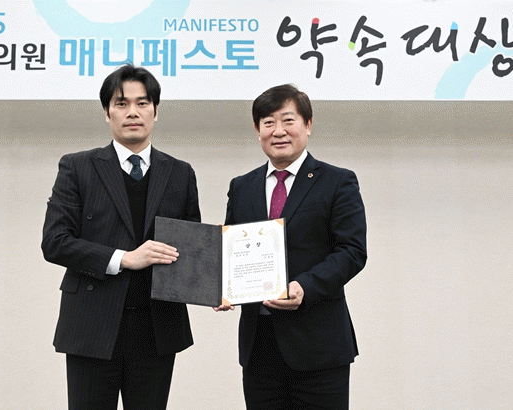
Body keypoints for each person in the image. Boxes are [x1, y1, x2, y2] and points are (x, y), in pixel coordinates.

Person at [42, 64, 201, 410]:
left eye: (142, 103)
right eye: (121, 103)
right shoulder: (77, 167)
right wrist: (124, 259)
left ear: (155, 111)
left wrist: (215, 284)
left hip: (157, 328)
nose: (132, 112)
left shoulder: (180, 173)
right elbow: (55, 242)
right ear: (107, 112)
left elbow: (190, 248)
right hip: (92, 324)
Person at [219, 84, 367, 409]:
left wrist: (304, 286)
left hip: (318, 346)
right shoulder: (242, 187)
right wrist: (219, 286)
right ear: (257, 130)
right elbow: (232, 251)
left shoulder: (337, 181)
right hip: (259, 347)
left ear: (308, 125)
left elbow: (352, 251)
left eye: (288, 120)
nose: (279, 131)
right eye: (268, 122)